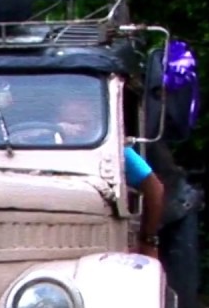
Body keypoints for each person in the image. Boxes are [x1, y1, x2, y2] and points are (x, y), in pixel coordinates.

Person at [55, 98, 164, 257]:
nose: (77, 126)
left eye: (83, 121)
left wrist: (148, 239)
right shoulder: (35, 146)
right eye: (69, 121)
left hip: (101, 245)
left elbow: (155, 189)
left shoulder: (113, 151)